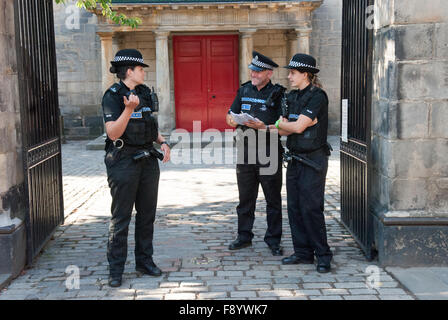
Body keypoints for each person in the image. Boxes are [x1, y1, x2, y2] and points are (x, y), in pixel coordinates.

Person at [102, 49, 171, 287]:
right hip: (123, 159)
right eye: (141, 68)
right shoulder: (112, 95)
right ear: (129, 71)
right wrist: (128, 109)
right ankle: (116, 269)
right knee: (121, 217)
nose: (144, 71)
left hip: (147, 159)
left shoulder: (143, 92)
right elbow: (112, 133)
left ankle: (144, 261)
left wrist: (162, 141)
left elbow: (149, 123)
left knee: (147, 215)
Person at [270, 53, 333, 273]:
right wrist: (290, 123)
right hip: (295, 158)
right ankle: (303, 253)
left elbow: (295, 128)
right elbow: (281, 126)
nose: (288, 77)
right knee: (295, 208)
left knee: (311, 208)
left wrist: (292, 124)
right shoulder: (292, 97)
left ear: (305, 74)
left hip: (313, 159)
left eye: (292, 73)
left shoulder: (318, 96)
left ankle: (323, 255)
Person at [226, 51, 285, 256]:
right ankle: (244, 236)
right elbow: (229, 115)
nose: (253, 74)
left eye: (258, 71)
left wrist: (264, 126)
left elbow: (284, 123)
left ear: (269, 73)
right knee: (245, 198)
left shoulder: (279, 93)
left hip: (269, 151)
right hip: (246, 150)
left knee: (272, 199)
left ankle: (273, 240)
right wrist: (233, 120)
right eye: (252, 70)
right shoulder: (243, 90)